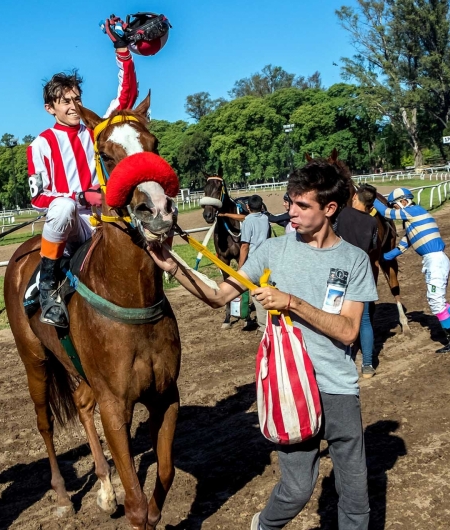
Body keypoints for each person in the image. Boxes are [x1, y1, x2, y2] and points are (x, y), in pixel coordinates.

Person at [148, 161, 377, 529]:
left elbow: (349, 331)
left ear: (330, 209)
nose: (291, 212)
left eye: (303, 206)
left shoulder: (354, 261)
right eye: (290, 202)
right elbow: (220, 296)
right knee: (298, 489)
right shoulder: (273, 251)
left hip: (337, 386)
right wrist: (173, 267)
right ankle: (263, 526)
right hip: (288, 388)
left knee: (354, 493)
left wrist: (291, 302)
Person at [26, 28, 139, 328]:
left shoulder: (95, 130)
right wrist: (79, 196)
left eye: (77, 99)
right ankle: (48, 285)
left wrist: (122, 51)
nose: (73, 106)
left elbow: (126, 96)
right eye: (64, 101)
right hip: (71, 223)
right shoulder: (40, 144)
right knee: (62, 207)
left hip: (103, 217)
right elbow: (38, 199)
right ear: (50, 108)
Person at [374, 187, 450, 353]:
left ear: (403, 201)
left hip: (435, 261)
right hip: (435, 260)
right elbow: (403, 246)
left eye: (395, 205)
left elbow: (387, 214)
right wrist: (384, 257)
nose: (394, 209)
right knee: (439, 300)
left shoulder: (414, 211)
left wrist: (370, 198)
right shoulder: (413, 222)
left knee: (436, 303)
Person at [335, 183, 379, 378]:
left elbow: (332, 233)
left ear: (356, 198)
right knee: (365, 319)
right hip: (362, 272)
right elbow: (373, 246)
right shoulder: (372, 223)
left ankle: (340, 360)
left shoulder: (343, 214)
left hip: (339, 272)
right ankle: (368, 365)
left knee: (334, 315)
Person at [239, 195, 271, 332]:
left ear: (248, 207)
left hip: (254, 261)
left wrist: (240, 267)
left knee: (257, 295)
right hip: (268, 260)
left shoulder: (247, 221)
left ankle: (264, 327)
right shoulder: (265, 218)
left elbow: (245, 245)